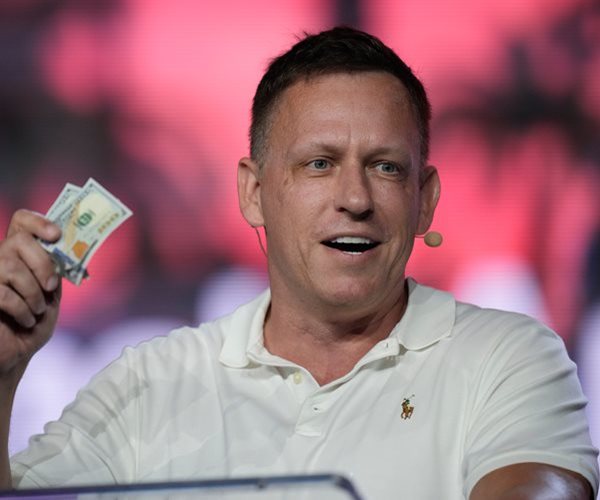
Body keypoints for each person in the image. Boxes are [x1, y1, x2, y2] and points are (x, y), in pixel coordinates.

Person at [0, 26, 597, 499]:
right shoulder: (145, 382)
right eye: (319, 164)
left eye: (386, 167)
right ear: (253, 193)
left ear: (425, 199)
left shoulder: (509, 358)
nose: (355, 199)